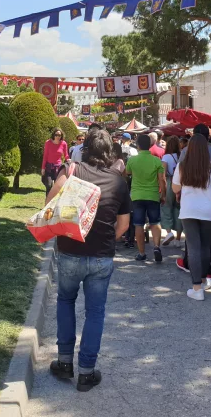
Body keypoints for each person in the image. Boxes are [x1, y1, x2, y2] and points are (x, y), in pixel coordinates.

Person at [46, 128, 131, 392]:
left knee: (65, 301)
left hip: (71, 249)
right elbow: (124, 225)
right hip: (101, 255)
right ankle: (86, 372)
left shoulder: (71, 170)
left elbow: (50, 203)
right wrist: (106, 240)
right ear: (110, 153)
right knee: (95, 312)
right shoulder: (118, 181)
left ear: (84, 150)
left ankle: (63, 362)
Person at [176, 124, 211, 281]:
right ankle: (209, 271)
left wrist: (179, 195)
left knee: (193, 244)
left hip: (189, 205)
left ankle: (194, 276)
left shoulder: (186, 153)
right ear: (208, 136)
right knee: (209, 243)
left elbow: (179, 180)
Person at [173, 134, 211, 300]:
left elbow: (175, 188)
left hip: (189, 211)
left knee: (193, 247)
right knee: (205, 247)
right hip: (208, 212)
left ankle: (196, 288)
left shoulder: (182, 166)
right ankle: (202, 280)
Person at [126, 133, 166, 262]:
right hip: (153, 195)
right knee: (155, 223)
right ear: (150, 145)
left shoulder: (132, 160)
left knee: (138, 224)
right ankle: (156, 246)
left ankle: (142, 253)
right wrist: (163, 194)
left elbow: (127, 173)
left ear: (137, 145)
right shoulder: (156, 160)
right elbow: (162, 180)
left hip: (137, 196)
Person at [160, 136, 182, 247]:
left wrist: (163, 191)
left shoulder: (166, 157)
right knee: (179, 209)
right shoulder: (181, 155)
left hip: (169, 182)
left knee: (166, 207)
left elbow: (163, 174)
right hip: (180, 184)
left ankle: (168, 233)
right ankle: (178, 238)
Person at [42, 129, 69, 195]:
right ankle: (47, 203)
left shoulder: (64, 143)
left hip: (58, 167)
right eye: (56, 135)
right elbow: (45, 156)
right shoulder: (48, 143)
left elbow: (66, 155)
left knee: (58, 187)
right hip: (49, 167)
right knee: (49, 185)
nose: (57, 136)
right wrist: (43, 168)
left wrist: (68, 160)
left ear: (61, 136)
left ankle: (55, 203)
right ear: (53, 135)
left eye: (59, 135)